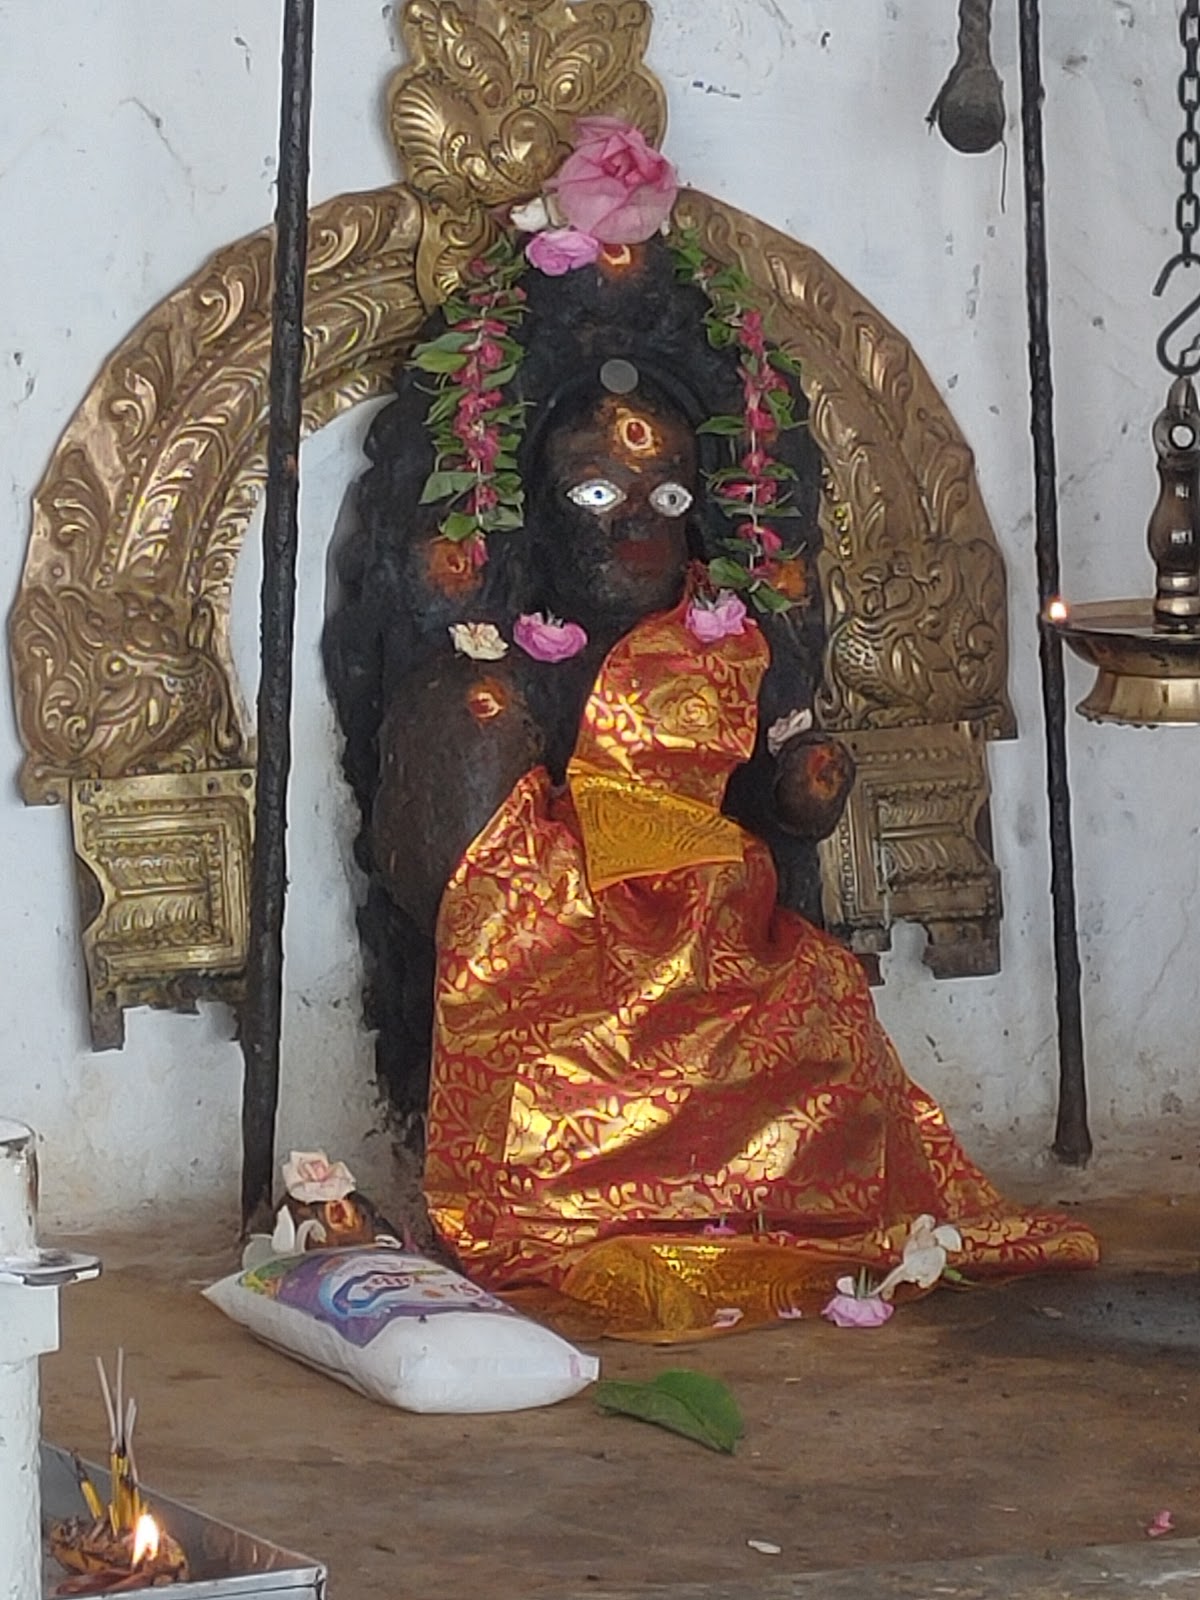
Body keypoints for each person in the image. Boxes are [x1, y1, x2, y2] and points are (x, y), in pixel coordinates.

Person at [326, 236, 1097, 1339]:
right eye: (600, 490)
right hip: (567, 911)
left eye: (670, 490)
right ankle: (576, 1209)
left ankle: (764, 1206)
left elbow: (774, 790)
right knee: (555, 1003)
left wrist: (803, 789)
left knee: (820, 995)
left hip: (715, 908)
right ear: (539, 505)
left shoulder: (725, 635)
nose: (639, 520)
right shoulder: (514, 650)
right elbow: (459, 822)